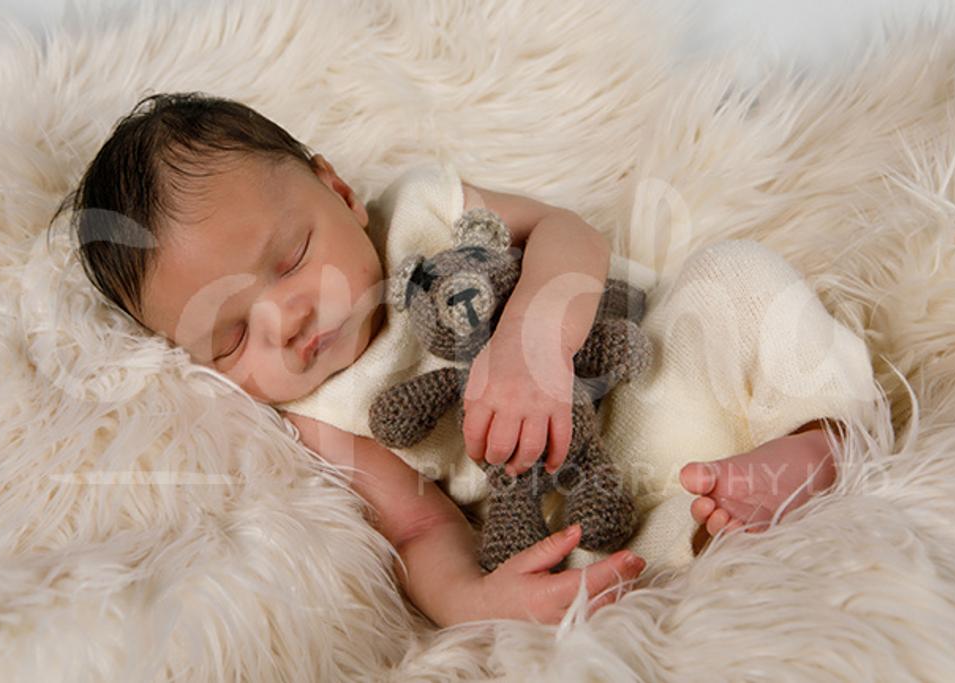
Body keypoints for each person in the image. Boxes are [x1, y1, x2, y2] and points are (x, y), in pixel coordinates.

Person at [60, 92, 872, 627]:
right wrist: (474, 601)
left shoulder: (424, 210)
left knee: (733, 279)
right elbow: (418, 525)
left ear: (337, 190)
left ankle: (820, 435)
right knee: (617, 579)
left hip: (659, 370)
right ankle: (718, 523)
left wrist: (533, 337)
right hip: (579, 504)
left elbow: (570, 232)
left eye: (290, 258)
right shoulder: (317, 421)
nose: (285, 318)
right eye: (228, 337)